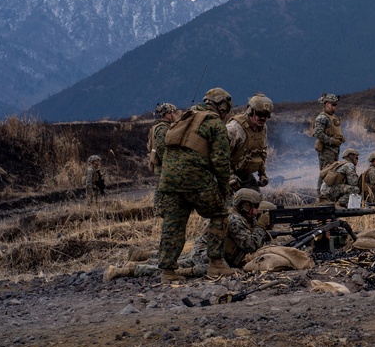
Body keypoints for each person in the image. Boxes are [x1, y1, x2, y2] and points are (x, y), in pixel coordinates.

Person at [154, 87, 235, 284]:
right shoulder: (215, 123)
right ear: (221, 107)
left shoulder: (185, 117)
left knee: (173, 224)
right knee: (219, 214)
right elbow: (221, 161)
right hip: (197, 180)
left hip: (169, 181)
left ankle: (168, 271)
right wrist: (223, 188)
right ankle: (216, 263)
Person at [105, 188, 274, 281]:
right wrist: (261, 226)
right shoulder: (235, 220)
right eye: (253, 206)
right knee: (192, 268)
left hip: (207, 251)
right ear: (244, 205)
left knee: (178, 261)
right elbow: (251, 245)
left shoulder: (240, 217)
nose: (256, 210)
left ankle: (133, 263)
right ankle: (125, 271)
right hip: (205, 253)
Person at [227, 92, 273, 191]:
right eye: (260, 114)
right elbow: (220, 156)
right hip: (226, 173)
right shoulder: (234, 128)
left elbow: (262, 151)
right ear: (250, 111)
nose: (263, 118)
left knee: (255, 199)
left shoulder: (262, 127)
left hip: (244, 173)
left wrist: (262, 174)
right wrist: (229, 176)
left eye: (266, 115)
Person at [312, 93, 344, 170]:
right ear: (327, 104)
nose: (335, 107)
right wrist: (331, 141)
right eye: (333, 105)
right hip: (327, 150)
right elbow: (318, 134)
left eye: (336, 105)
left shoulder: (333, 117)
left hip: (334, 150)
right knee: (327, 174)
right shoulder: (322, 118)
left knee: (333, 174)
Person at [147, 102, 178, 177]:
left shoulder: (159, 126)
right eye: (173, 112)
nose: (174, 115)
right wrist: (168, 165)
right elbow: (161, 147)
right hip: (163, 169)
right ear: (167, 114)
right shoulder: (162, 129)